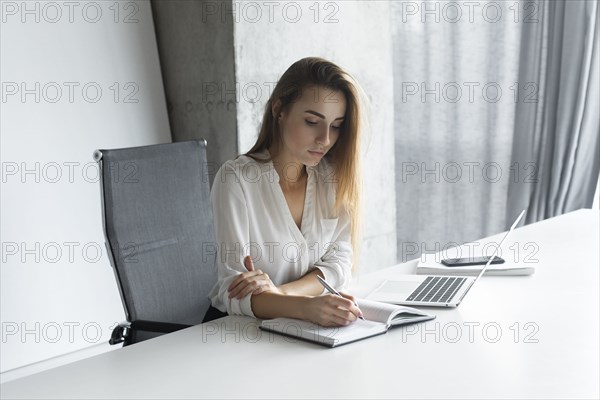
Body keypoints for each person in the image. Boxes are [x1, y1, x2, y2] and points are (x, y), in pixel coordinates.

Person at [205, 57, 367, 327]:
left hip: (300, 329)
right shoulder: (237, 180)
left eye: (336, 125)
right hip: (239, 335)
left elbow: (339, 264)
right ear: (279, 109)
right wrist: (306, 307)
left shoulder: (332, 178)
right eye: (312, 121)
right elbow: (233, 292)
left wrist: (282, 295)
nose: (325, 139)